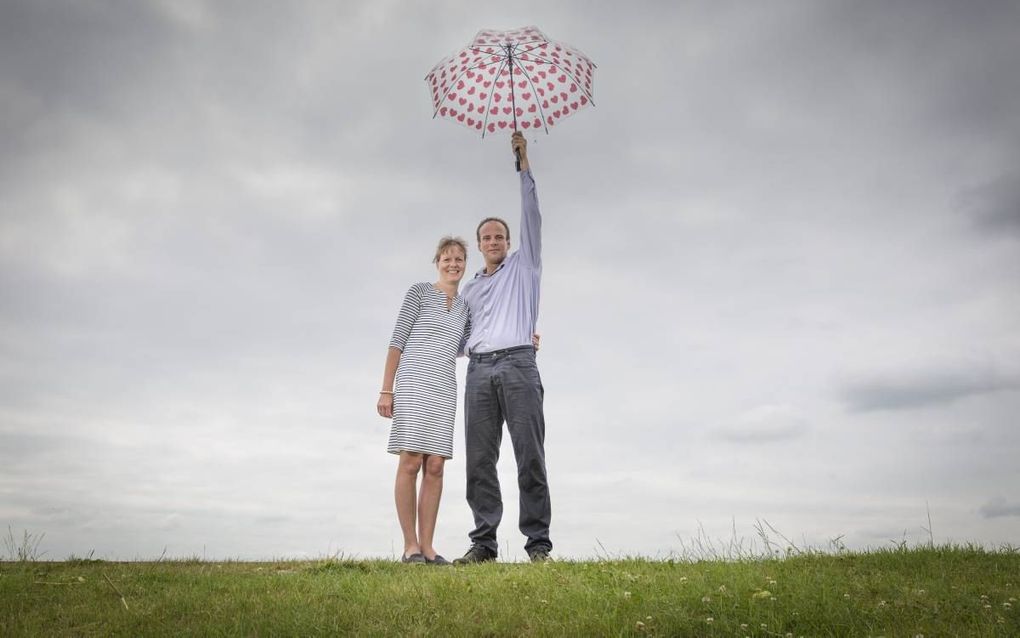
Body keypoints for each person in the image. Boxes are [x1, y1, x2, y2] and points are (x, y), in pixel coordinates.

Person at [454, 131, 552, 564]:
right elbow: (454, 339)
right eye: (486, 238)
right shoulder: (469, 290)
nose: (493, 242)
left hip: (517, 365)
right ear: (479, 246)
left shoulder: (524, 267)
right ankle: (484, 544)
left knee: (529, 454)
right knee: (479, 460)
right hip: (478, 370)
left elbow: (531, 213)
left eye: (500, 237)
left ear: (509, 242)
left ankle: (538, 545)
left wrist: (523, 162)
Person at [377, 236, 470, 565]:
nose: (453, 264)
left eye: (459, 259)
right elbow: (396, 341)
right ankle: (410, 546)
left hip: (444, 386)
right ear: (437, 262)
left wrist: (524, 336)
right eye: (447, 259)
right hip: (414, 381)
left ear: (464, 264)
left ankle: (429, 547)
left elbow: (473, 343)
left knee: (435, 466)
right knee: (411, 459)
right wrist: (386, 389)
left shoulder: (465, 306)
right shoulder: (418, 292)